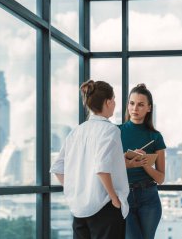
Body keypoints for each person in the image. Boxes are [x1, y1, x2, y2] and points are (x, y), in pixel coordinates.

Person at [50, 80, 129, 239]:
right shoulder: (110, 130)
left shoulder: (76, 131)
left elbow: (58, 168)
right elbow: (101, 168)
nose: (114, 103)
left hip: (79, 210)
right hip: (105, 207)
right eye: (113, 99)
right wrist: (114, 198)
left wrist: (78, 189)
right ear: (107, 102)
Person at [118, 83, 166, 239]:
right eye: (132, 103)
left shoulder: (156, 137)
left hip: (149, 198)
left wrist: (146, 164)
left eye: (140, 104)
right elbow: (107, 166)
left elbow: (160, 178)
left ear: (149, 108)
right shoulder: (115, 132)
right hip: (124, 196)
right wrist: (126, 157)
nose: (135, 108)